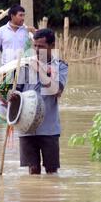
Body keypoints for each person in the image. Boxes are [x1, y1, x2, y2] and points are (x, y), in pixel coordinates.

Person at [9, 28, 68, 175]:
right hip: (26, 127)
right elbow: (16, 91)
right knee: (33, 171)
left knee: (52, 171)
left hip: (49, 128)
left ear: (52, 46)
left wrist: (39, 71)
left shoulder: (60, 66)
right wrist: (12, 96)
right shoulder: (24, 65)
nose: (36, 49)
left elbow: (57, 91)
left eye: (41, 46)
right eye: (34, 46)